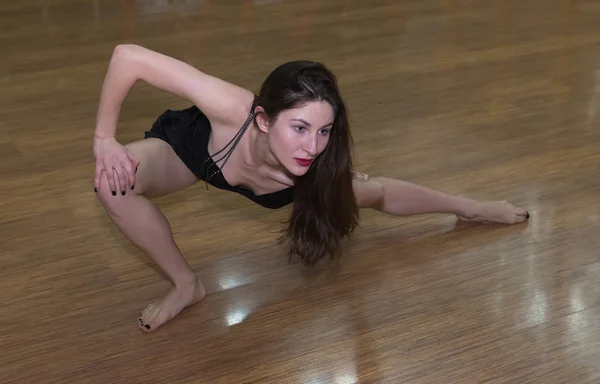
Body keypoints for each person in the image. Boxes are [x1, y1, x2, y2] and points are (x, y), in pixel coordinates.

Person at [92, 44, 530, 333]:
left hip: (275, 182)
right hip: (191, 153)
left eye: (324, 131)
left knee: (370, 192)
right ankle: (186, 285)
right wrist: (105, 142)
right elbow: (128, 57)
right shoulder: (232, 106)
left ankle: (470, 209)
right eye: (299, 128)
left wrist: (470, 207)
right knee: (114, 184)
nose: (312, 146)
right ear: (263, 119)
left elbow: (381, 194)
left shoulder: (315, 169)